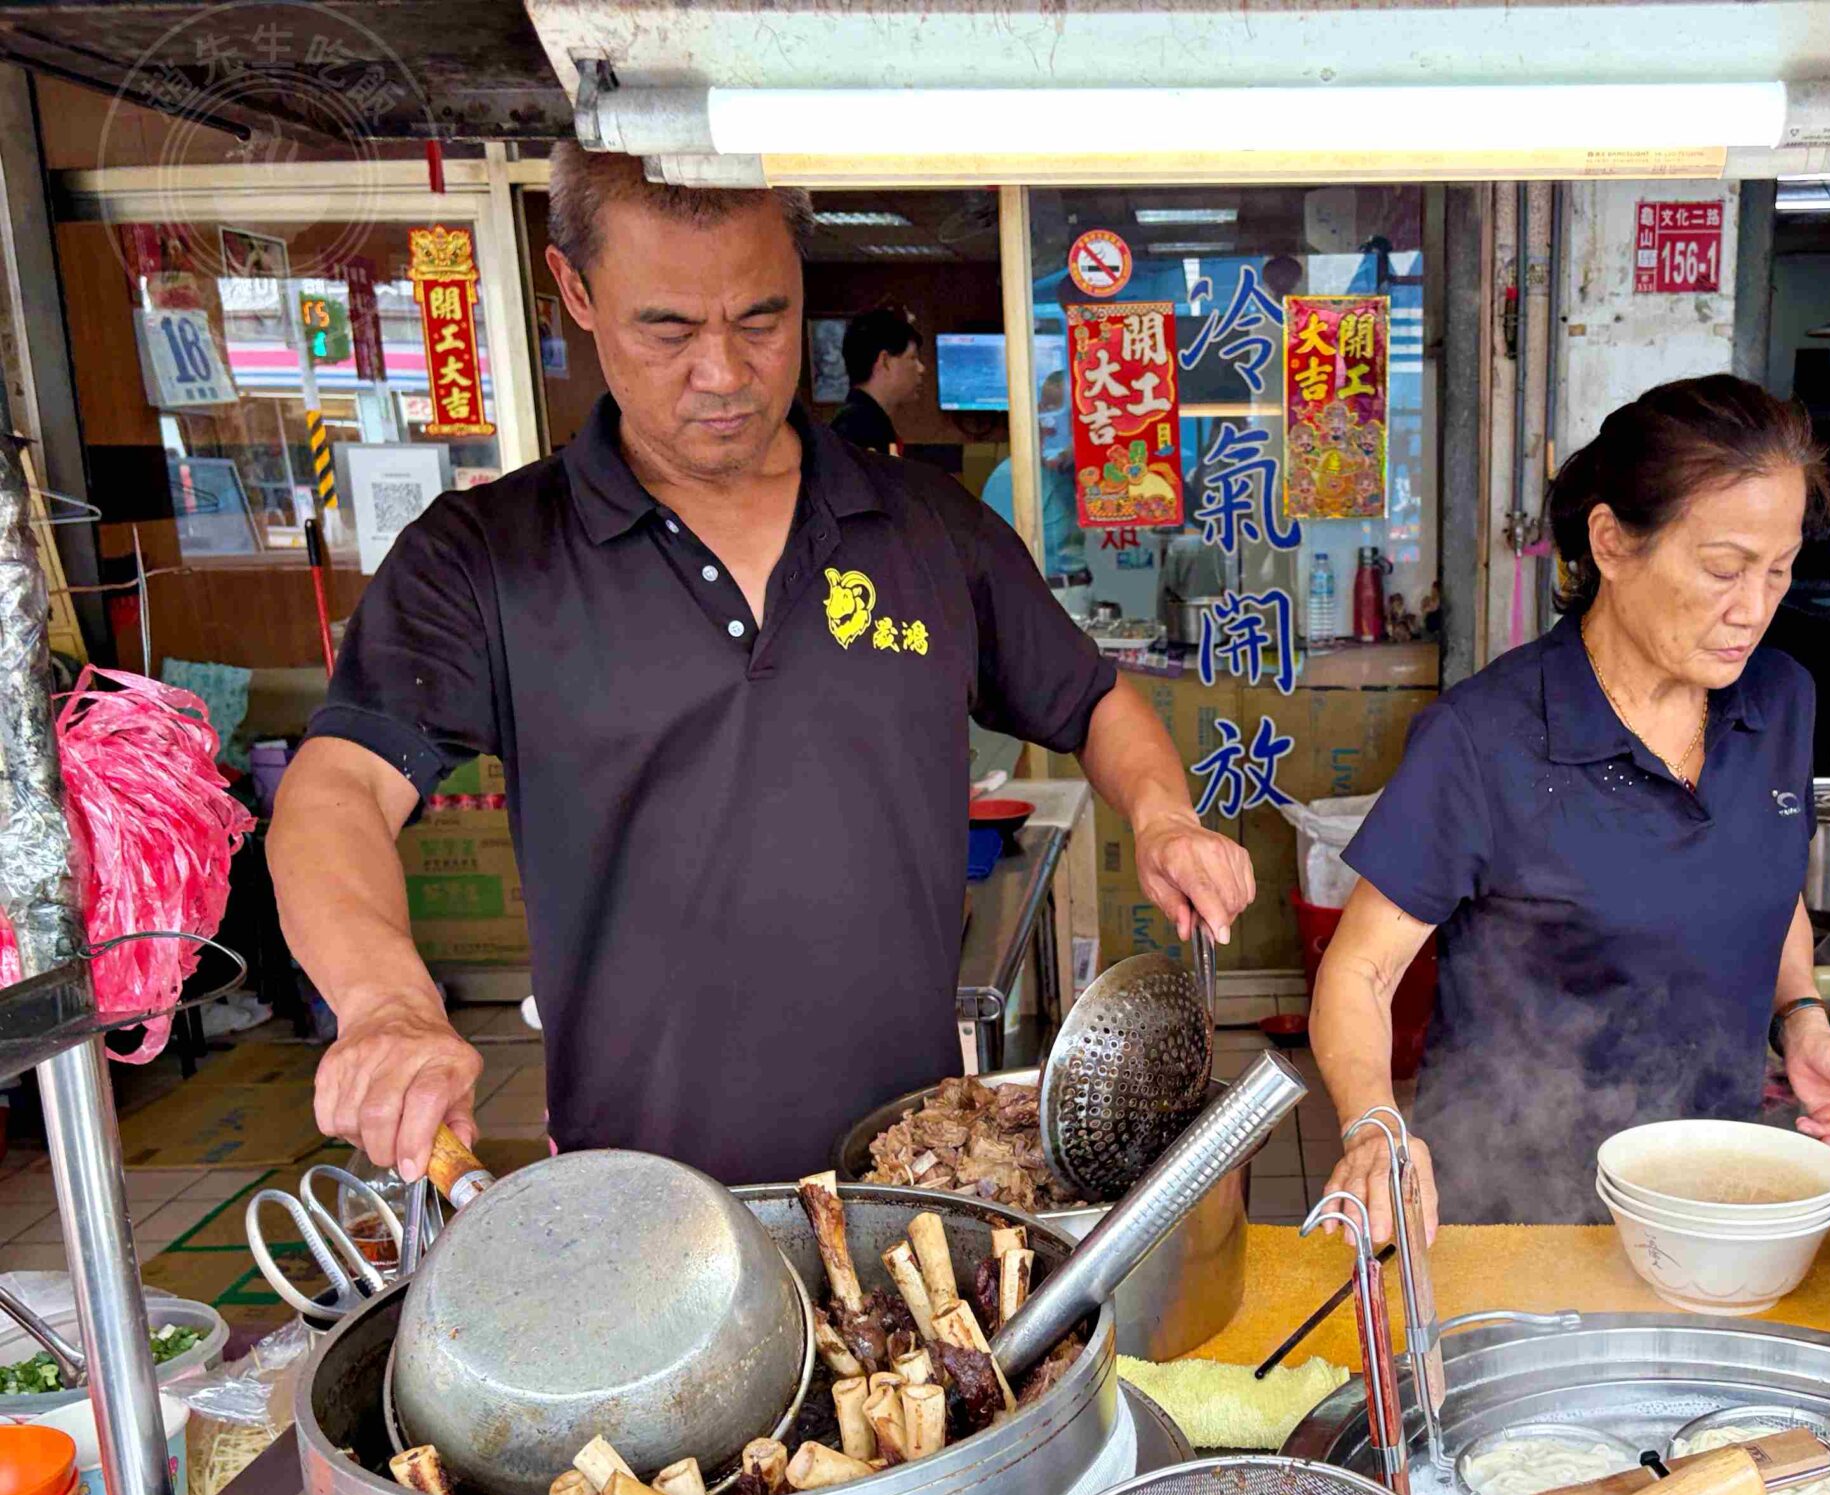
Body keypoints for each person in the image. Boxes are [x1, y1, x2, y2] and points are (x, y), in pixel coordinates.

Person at [270, 144, 1252, 1186]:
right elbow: (337, 791)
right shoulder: (488, 555)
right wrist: (386, 1005)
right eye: (669, 328)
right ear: (576, 290)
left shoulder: (924, 528)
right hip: (636, 1189)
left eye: (761, 320)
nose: (724, 373)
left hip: (904, 1177)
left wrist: (1163, 816)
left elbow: (1096, 700)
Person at [1310, 376, 1830, 1240]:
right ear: (1613, 543)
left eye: (1779, 572)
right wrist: (1373, 1126)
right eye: (1723, 569)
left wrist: (1802, 1018)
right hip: (1515, 1214)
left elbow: (1766, 887)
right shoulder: (1485, 738)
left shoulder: (1781, 698)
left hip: (1712, 1198)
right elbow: (1359, 973)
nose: (1755, 609)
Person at [980, 371, 1086, 581]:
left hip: (1084, 589)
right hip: (1042, 592)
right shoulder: (1013, 476)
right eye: (1049, 412)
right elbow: (996, 557)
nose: (1054, 424)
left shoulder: (1084, 474)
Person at [830, 306, 924, 454]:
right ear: (885, 361)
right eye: (913, 358)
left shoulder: (860, 421)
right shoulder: (860, 429)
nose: (921, 368)